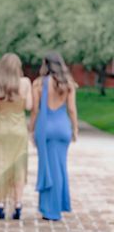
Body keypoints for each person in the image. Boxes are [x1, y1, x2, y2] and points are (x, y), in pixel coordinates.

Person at [29, 52, 78, 221]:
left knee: (47, 168)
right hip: (62, 127)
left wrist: (31, 129)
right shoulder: (68, 84)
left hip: (46, 128)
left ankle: (49, 210)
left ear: (46, 64)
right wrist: (75, 129)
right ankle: (56, 207)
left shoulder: (38, 83)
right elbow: (71, 109)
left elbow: (35, 110)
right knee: (60, 167)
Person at [0, 53, 32, 220]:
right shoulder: (25, 83)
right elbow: (29, 106)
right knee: (18, 167)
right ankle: (18, 203)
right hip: (18, 130)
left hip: (1, 130)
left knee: (0, 166)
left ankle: (0, 203)